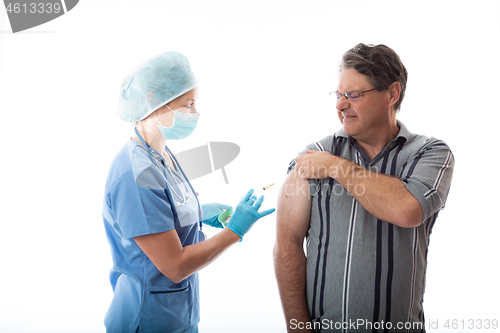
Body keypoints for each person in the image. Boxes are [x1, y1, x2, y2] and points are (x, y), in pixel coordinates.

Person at [273, 43, 454, 332]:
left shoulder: (430, 154)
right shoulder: (313, 155)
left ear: (392, 94)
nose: (340, 105)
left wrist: (335, 167)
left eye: (353, 95)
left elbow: (408, 210)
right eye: (338, 95)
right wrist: (298, 329)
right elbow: (287, 246)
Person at [102, 51, 275, 333]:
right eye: (188, 104)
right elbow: (176, 266)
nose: (195, 113)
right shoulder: (134, 175)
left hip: (177, 314)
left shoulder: (159, 154)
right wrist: (235, 231)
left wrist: (199, 213)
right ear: (152, 103)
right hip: (147, 319)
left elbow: (163, 211)